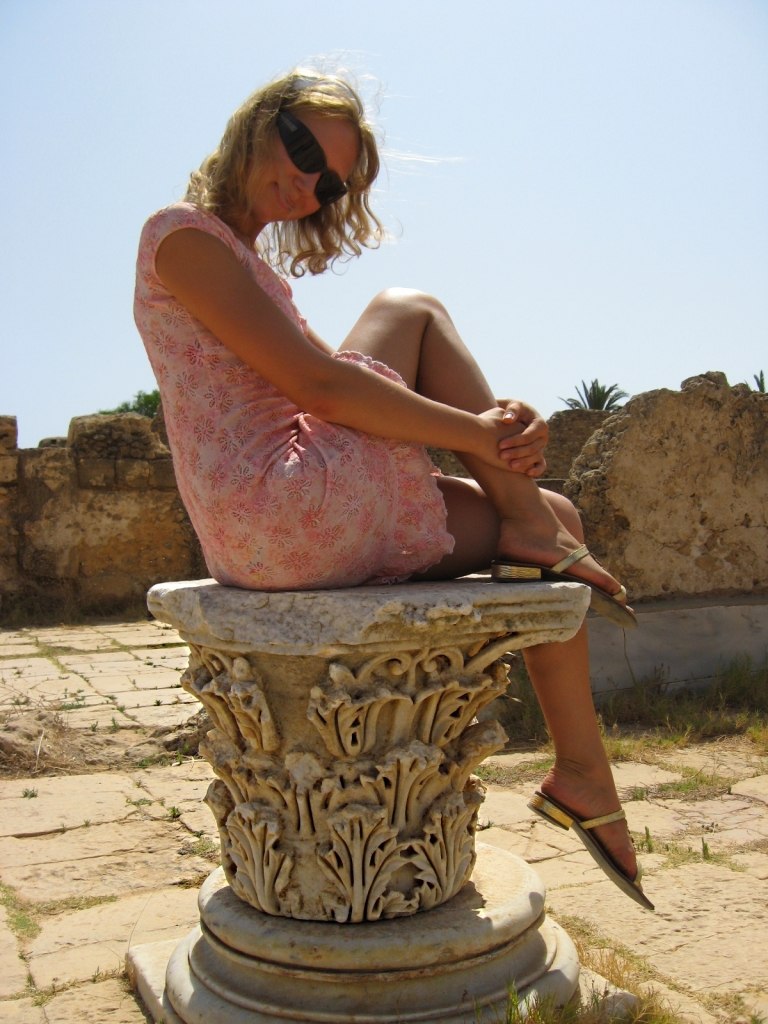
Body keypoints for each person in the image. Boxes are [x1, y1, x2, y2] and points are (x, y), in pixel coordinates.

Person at [134, 68, 652, 910]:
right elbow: (324, 389)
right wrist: (481, 433)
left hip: (284, 524)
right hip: (272, 504)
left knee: (556, 516)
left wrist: (493, 427)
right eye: (303, 150)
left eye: (329, 183)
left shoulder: (249, 269)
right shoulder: (180, 236)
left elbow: (336, 387)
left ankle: (584, 776)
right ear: (259, 123)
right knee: (410, 309)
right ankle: (528, 523)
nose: (308, 183)